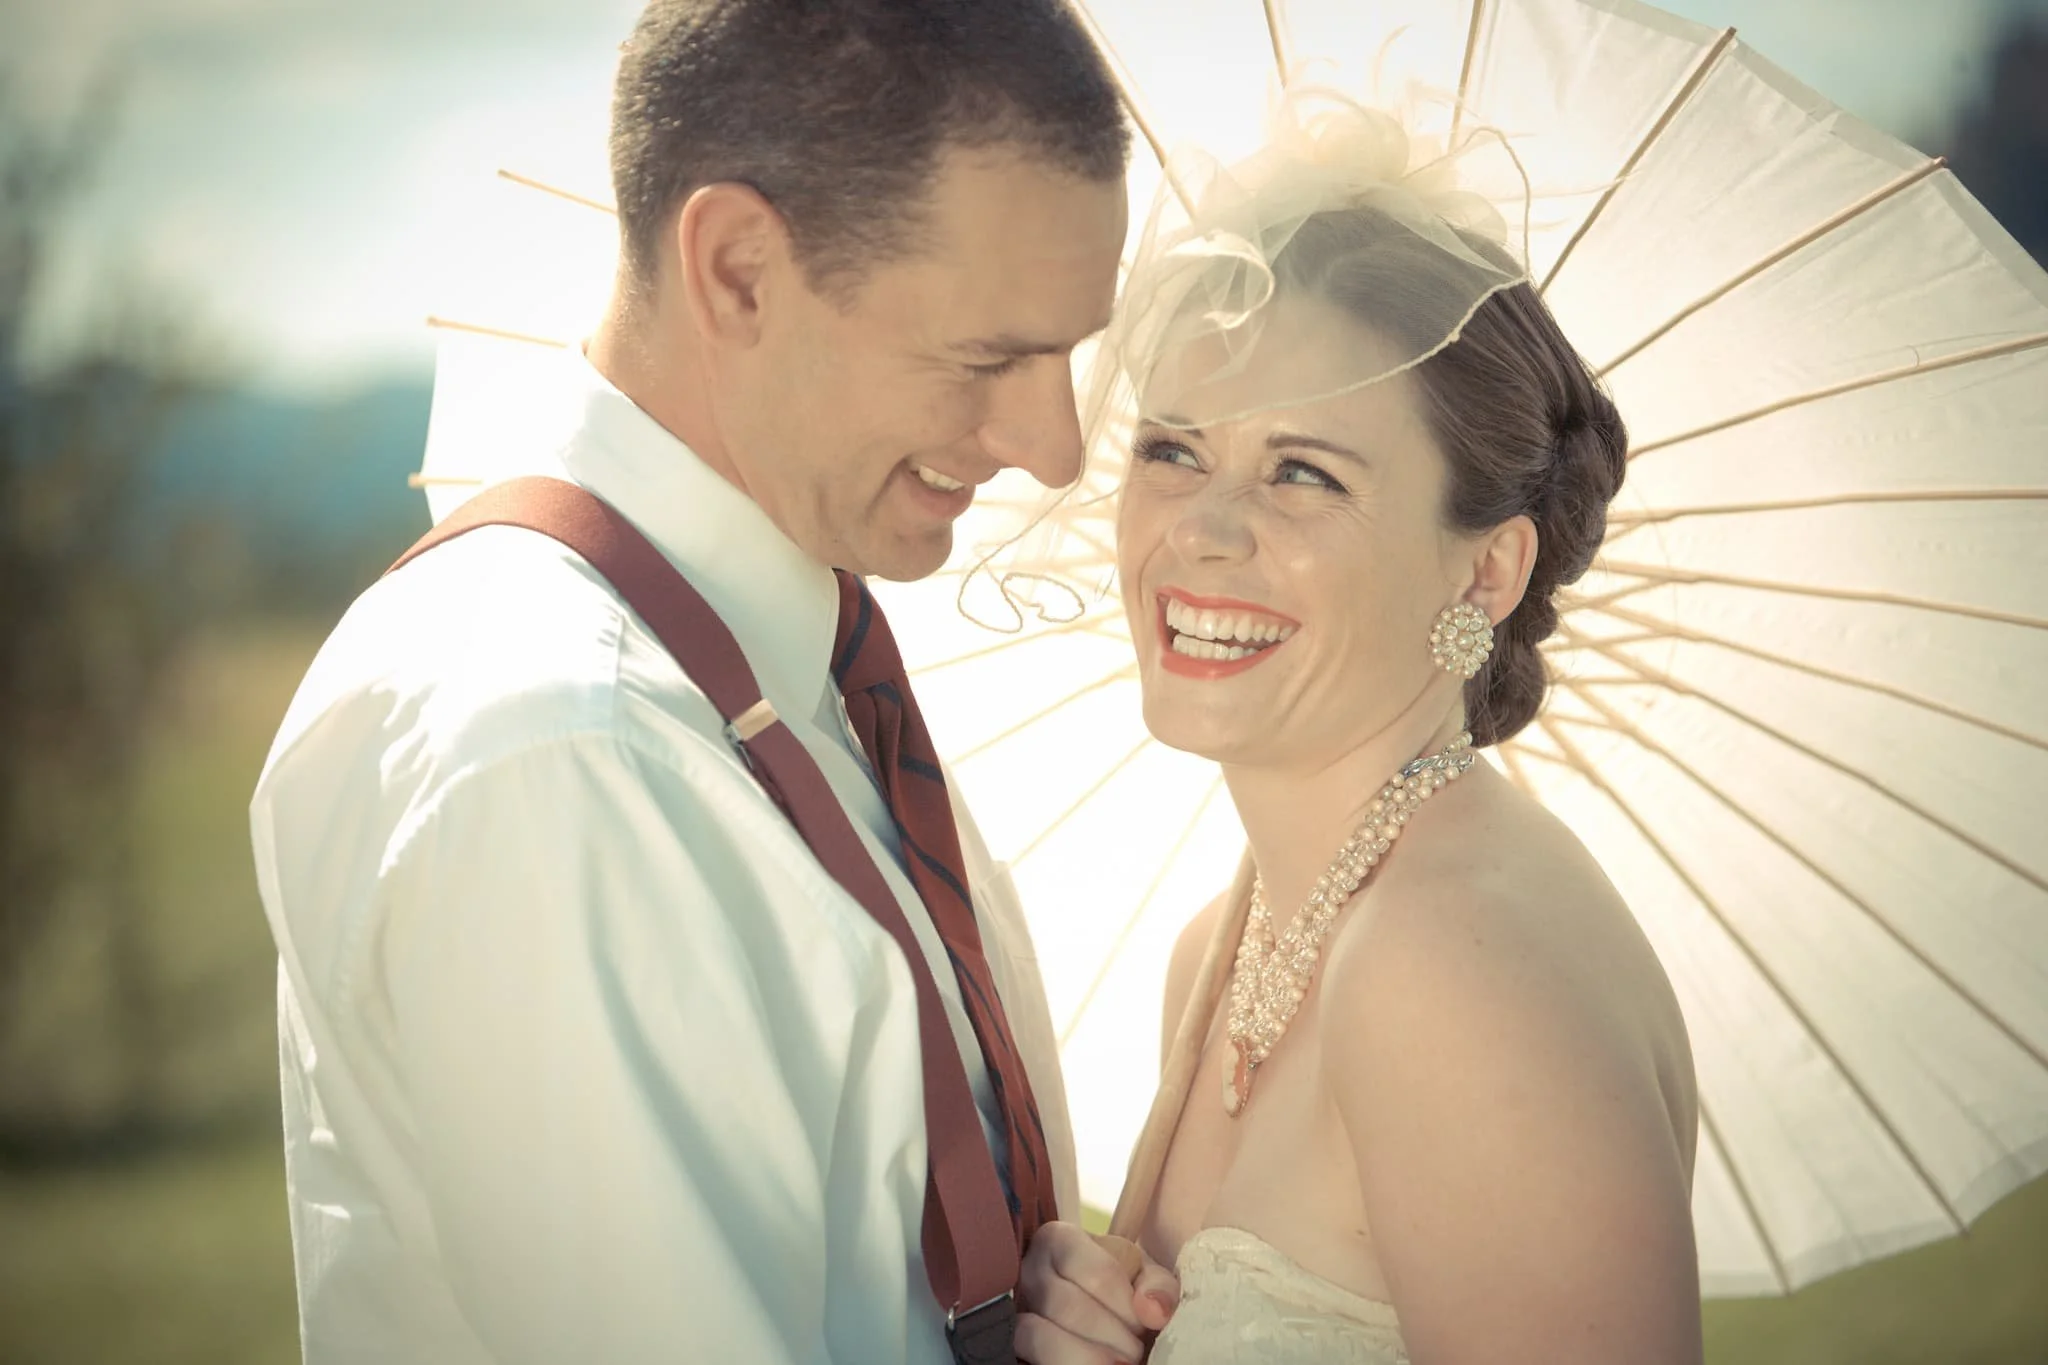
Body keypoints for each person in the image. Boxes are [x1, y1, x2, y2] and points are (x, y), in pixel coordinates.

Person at [249, 3, 1177, 1360]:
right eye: (990, 358)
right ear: (740, 268)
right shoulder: (569, 752)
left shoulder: (797, 665)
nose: (1052, 447)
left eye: (1071, 354)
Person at [1018, 98, 1702, 1363]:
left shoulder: (1446, 969)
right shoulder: (1216, 955)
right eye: (1171, 449)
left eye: (1303, 472)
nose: (1202, 533)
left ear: (1487, 571)